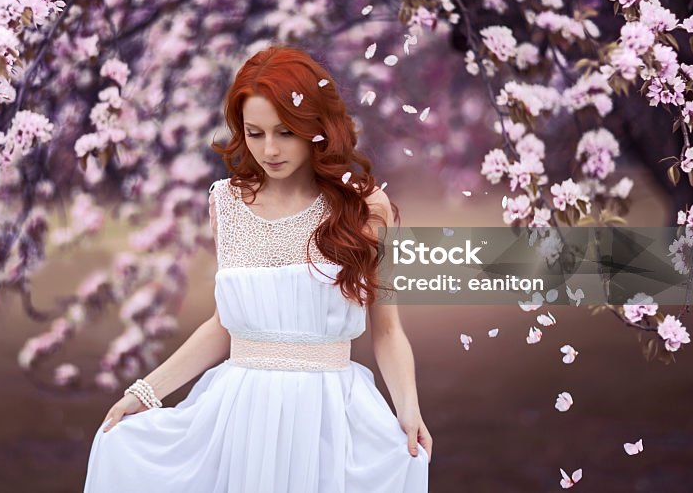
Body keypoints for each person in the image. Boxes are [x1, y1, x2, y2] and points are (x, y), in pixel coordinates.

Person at [83, 45, 432, 492]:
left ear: (317, 127)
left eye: (286, 132)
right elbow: (225, 324)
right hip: (239, 411)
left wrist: (408, 408)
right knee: (124, 448)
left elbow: (386, 330)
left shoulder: (365, 208)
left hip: (329, 412)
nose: (269, 149)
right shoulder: (225, 203)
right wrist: (145, 392)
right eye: (254, 132)